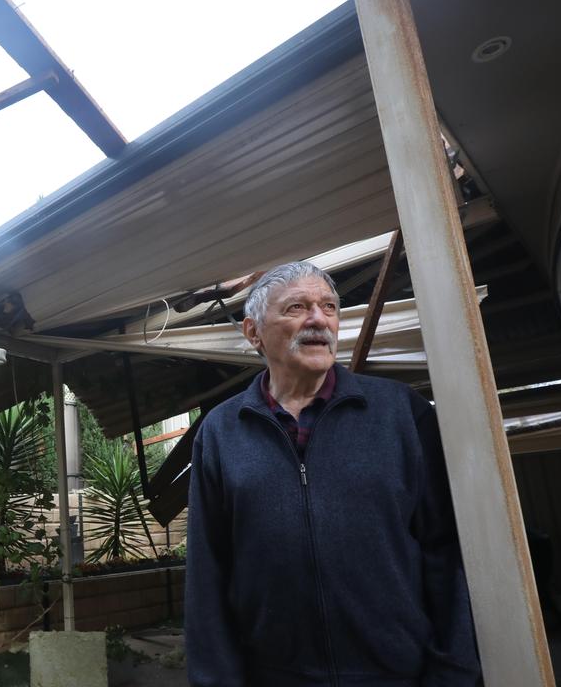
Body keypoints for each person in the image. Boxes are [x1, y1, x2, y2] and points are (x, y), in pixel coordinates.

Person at [185, 261, 480, 687]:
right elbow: (208, 574)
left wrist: (454, 671)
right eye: (296, 308)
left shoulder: (400, 413)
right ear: (254, 333)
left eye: (329, 307)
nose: (318, 320)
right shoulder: (221, 431)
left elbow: (447, 551)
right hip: (275, 676)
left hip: (400, 673)